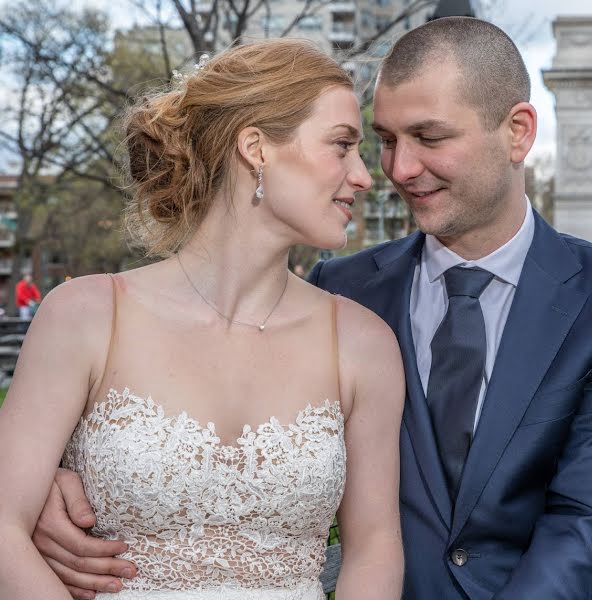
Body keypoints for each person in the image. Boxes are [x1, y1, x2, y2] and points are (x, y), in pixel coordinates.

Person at [34, 17, 592, 599]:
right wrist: (56, 483)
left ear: (517, 132)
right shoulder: (340, 291)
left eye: (428, 137)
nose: (397, 168)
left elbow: (589, 522)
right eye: (383, 139)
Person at [0, 39, 404, 599]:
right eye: (342, 146)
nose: (364, 176)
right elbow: (5, 530)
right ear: (256, 147)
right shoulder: (86, 316)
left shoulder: (363, 344)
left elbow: (375, 548)